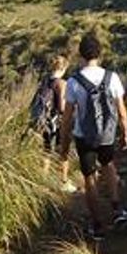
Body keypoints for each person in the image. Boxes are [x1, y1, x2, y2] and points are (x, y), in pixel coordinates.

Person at [59, 32, 127, 240]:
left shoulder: (73, 82)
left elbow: (67, 118)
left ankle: (97, 224)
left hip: (84, 137)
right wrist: (125, 133)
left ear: (81, 55)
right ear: (99, 53)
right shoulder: (112, 77)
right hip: (107, 134)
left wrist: (64, 145)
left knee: (89, 177)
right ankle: (118, 210)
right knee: (109, 166)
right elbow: (121, 110)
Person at [29, 53, 78, 193]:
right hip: (56, 124)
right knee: (63, 152)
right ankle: (63, 182)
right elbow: (62, 107)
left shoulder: (45, 81)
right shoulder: (61, 83)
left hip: (44, 122)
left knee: (46, 152)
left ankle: (42, 183)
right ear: (63, 68)